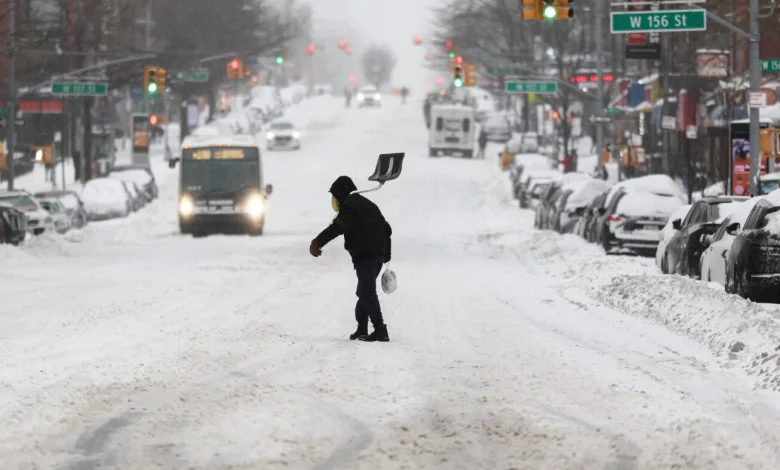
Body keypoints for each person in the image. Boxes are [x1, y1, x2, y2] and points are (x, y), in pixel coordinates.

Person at [309, 176, 393, 342]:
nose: (334, 200)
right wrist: (386, 254)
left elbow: (337, 227)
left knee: (367, 291)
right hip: (377, 254)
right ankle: (362, 328)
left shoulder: (350, 206)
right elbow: (386, 228)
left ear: (340, 194)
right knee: (363, 291)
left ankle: (380, 329)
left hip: (366, 255)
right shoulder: (366, 204)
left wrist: (317, 242)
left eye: (334, 196)